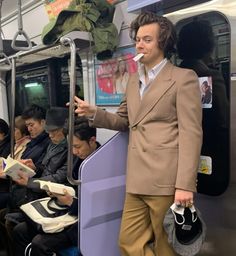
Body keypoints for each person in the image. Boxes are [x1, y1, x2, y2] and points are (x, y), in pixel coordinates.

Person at [73, 12, 202, 256]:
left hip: (167, 180)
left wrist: (185, 185)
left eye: (147, 40)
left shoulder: (183, 79)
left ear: (162, 44)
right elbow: (123, 121)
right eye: (137, 40)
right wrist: (94, 112)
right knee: (128, 242)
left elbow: (191, 133)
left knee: (167, 248)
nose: (139, 45)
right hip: (135, 178)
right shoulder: (133, 80)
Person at [13, 116, 100, 256]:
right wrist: (57, 191)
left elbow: (98, 207)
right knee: (20, 230)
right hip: (67, 212)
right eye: (71, 147)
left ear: (92, 141)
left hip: (81, 223)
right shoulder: (78, 159)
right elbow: (68, 184)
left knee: (39, 243)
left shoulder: (101, 165)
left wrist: (71, 202)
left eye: (77, 146)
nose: (74, 152)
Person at [0, 107, 68, 256]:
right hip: (40, 195)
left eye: (54, 131)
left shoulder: (69, 150)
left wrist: (30, 182)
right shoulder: (52, 144)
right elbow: (45, 168)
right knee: (11, 222)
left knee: (16, 226)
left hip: (50, 198)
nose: (50, 135)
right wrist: (34, 167)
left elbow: (59, 177)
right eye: (49, 131)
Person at [177, 20, 229, 195]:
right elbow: (222, 122)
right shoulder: (210, 77)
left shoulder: (171, 77)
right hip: (212, 158)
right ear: (209, 46)